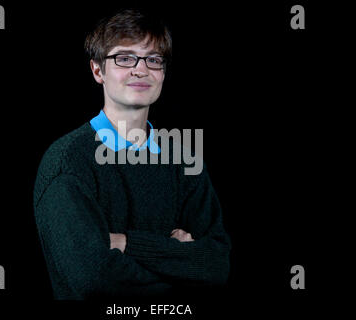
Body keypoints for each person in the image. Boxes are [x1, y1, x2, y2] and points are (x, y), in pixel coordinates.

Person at [33, 8, 231, 300]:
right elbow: (93, 281)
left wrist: (126, 244)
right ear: (98, 70)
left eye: (153, 59)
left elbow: (217, 266)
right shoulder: (68, 162)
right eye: (124, 58)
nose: (141, 69)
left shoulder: (184, 161)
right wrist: (178, 259)